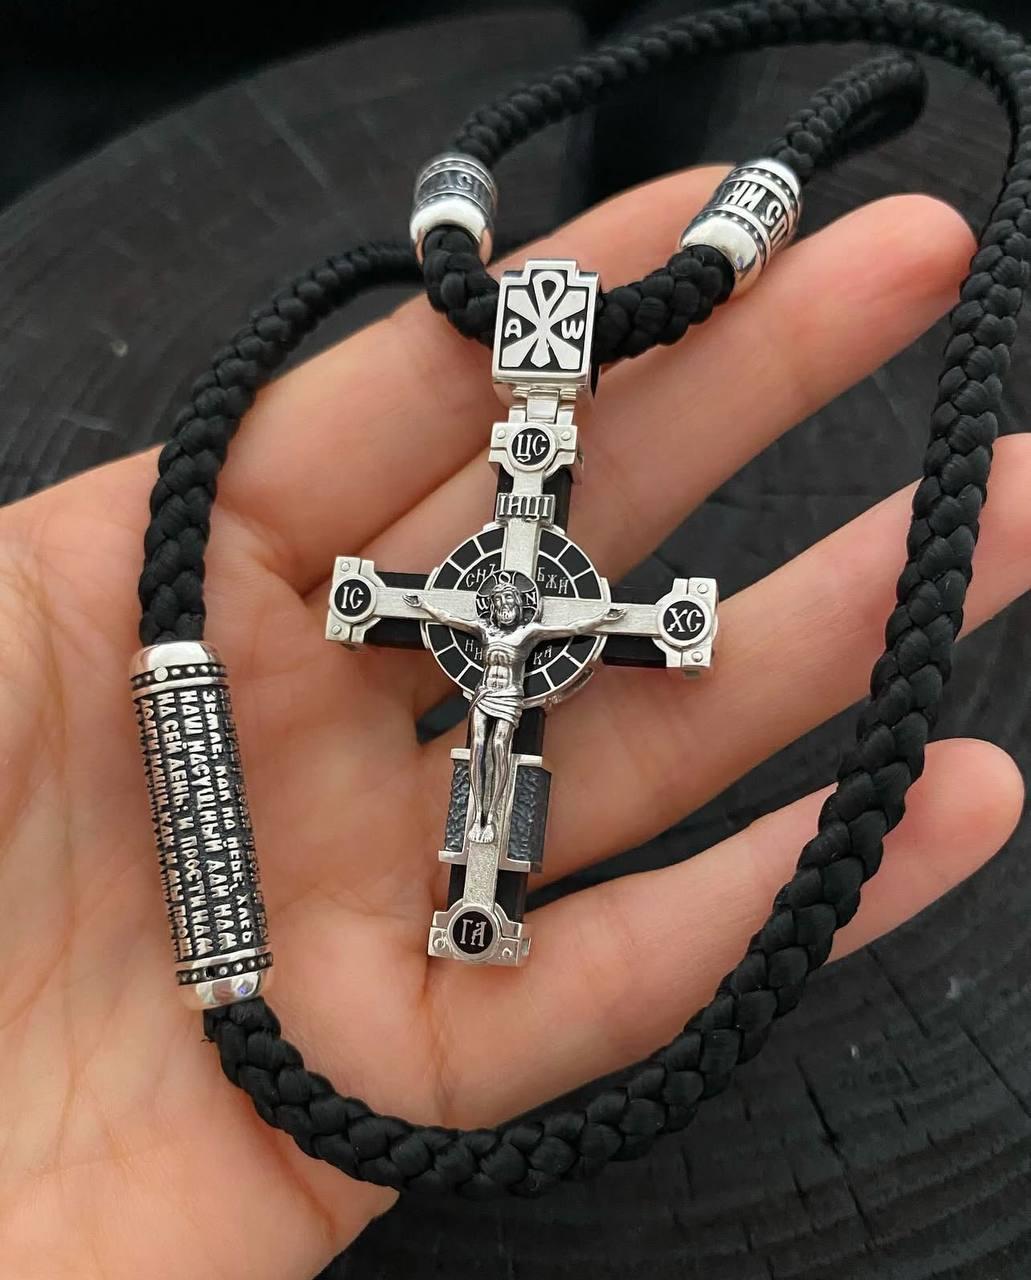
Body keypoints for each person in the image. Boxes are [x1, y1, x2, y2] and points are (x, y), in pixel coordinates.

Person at [1, 166, 1027, 1278]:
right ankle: (478, 905)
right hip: (489, 697)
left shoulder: (535, 581)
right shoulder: (460, 597)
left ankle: (481, 905)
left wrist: (652, 623)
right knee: (492, 740)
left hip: (513, 682)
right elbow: (389, 602)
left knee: (496, 753)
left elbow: (589, 619)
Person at [404, 577, 623, 842]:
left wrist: (602, 619)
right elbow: (449, 618)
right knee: (478, 748)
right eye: (498, 601)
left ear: (518, 604)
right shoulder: (484, 630)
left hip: (509, 695)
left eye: (508, 599)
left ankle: (492, 815)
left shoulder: (528, 633)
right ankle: (478, 814)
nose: (504, 605)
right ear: (493, 607)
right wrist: (424, 605)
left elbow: (571, 628)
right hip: (485, 694)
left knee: (499, 746)